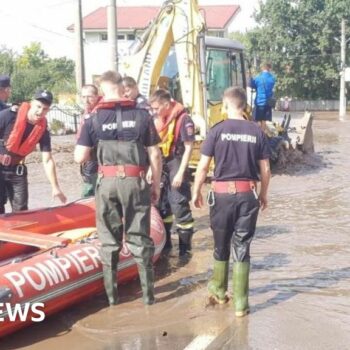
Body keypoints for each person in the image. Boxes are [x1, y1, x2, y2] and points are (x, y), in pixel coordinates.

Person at [74, 70, 162, 306]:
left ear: (102, 89)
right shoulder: (142, 115)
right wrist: (156, 184)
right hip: (136, 181)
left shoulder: (93, 118)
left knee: (109, 241)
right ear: (122, 87)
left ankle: (113, 300)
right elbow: (155, 152)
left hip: (107, 183)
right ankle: (148, 298)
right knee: (140, 238)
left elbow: (79, 156)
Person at [192, 86, 271, 317]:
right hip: (248, 195)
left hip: (222, 195)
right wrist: (264, 194)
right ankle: (241, 305)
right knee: (242, 246)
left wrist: (196, 191)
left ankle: (218, 291)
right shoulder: (257, 132)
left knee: (220, 244)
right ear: (244, 106)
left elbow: (203, 166)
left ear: (225, 106)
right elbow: (265, 169)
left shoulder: (217, 131)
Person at [0, 89, 67, 214]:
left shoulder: (42, 130)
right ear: (31, 103)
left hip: (17, 170)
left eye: (45, 109)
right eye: (38, 106)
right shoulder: (8, 115)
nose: (40, 111)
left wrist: (55, 187)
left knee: (21, 210)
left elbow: (47, 160)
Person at [149, 89, 195, 255]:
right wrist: (150, 169)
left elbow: (189, 148)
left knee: (179, 204)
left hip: (177, 161)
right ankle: (166, 246)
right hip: (162, 164)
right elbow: (154, 148)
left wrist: (181, 172)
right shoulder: (159, 120)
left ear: (166, 105)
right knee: (162, 206)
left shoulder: (184, 120)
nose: (154, 112)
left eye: (156, 108)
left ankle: (185, 250)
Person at [77, 84, 100, 197]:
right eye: (83, 96)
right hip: (87, 156)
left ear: (97, 96)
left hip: (96, 156)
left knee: (90, 187)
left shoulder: (100, 112)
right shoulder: (87, 112)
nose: (86, 100)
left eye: (89, 96)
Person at [250, 62, 276, 132]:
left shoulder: (258, 78)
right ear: (269, 68)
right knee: (264, 120)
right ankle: (263, 135)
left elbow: (252, 85)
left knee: (258, 120)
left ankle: (258, 135)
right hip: (268, 103)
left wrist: (251, 78)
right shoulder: (272, 79)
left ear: (262, 68)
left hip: (259, 103)